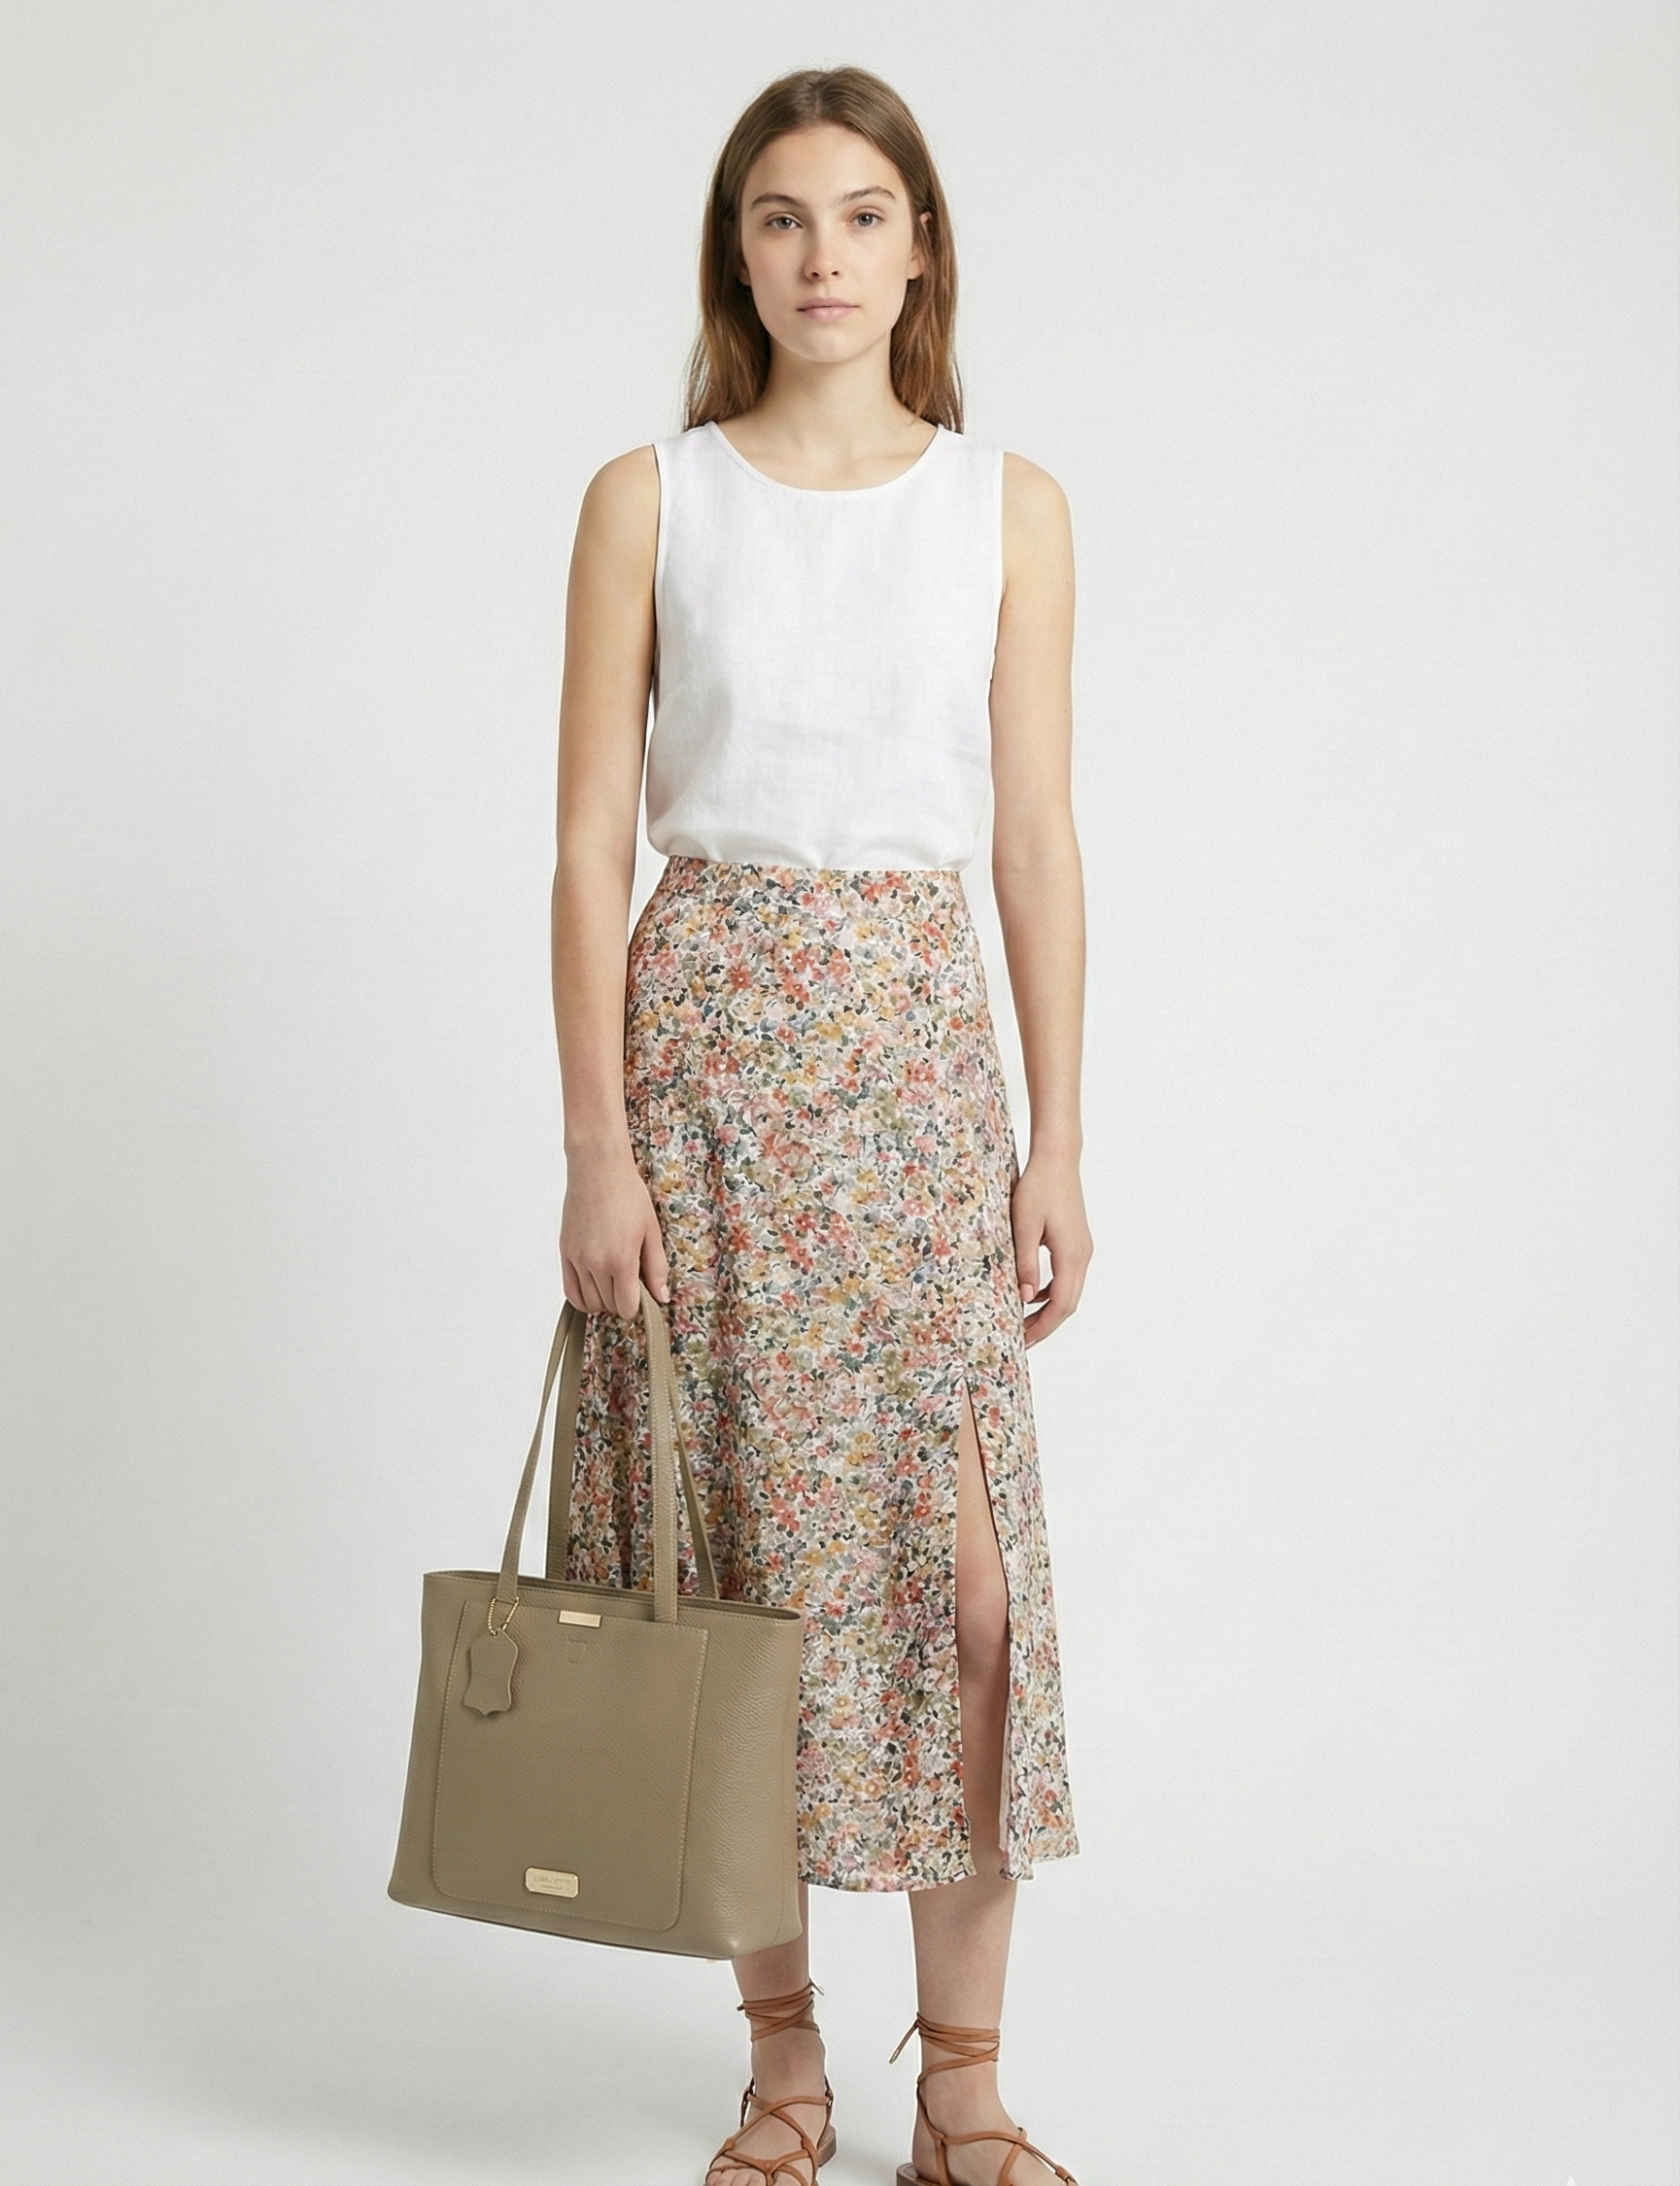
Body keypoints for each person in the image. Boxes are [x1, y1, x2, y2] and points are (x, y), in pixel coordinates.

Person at [550, 64, 1089, 2186]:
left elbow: (1033, 841)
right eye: (780, 217)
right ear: (737, 255)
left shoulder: (1006, 506)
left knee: (968, 1601)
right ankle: (784, 2065)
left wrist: (1058, 1141)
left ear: (921, 247)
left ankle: (963, 2083)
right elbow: (588, 844)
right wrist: (595, 1148)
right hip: (701, 1059)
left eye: (862, 214)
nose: (822, 256)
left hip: (915, 1060)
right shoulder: (650, 497)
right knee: (741, 1591)